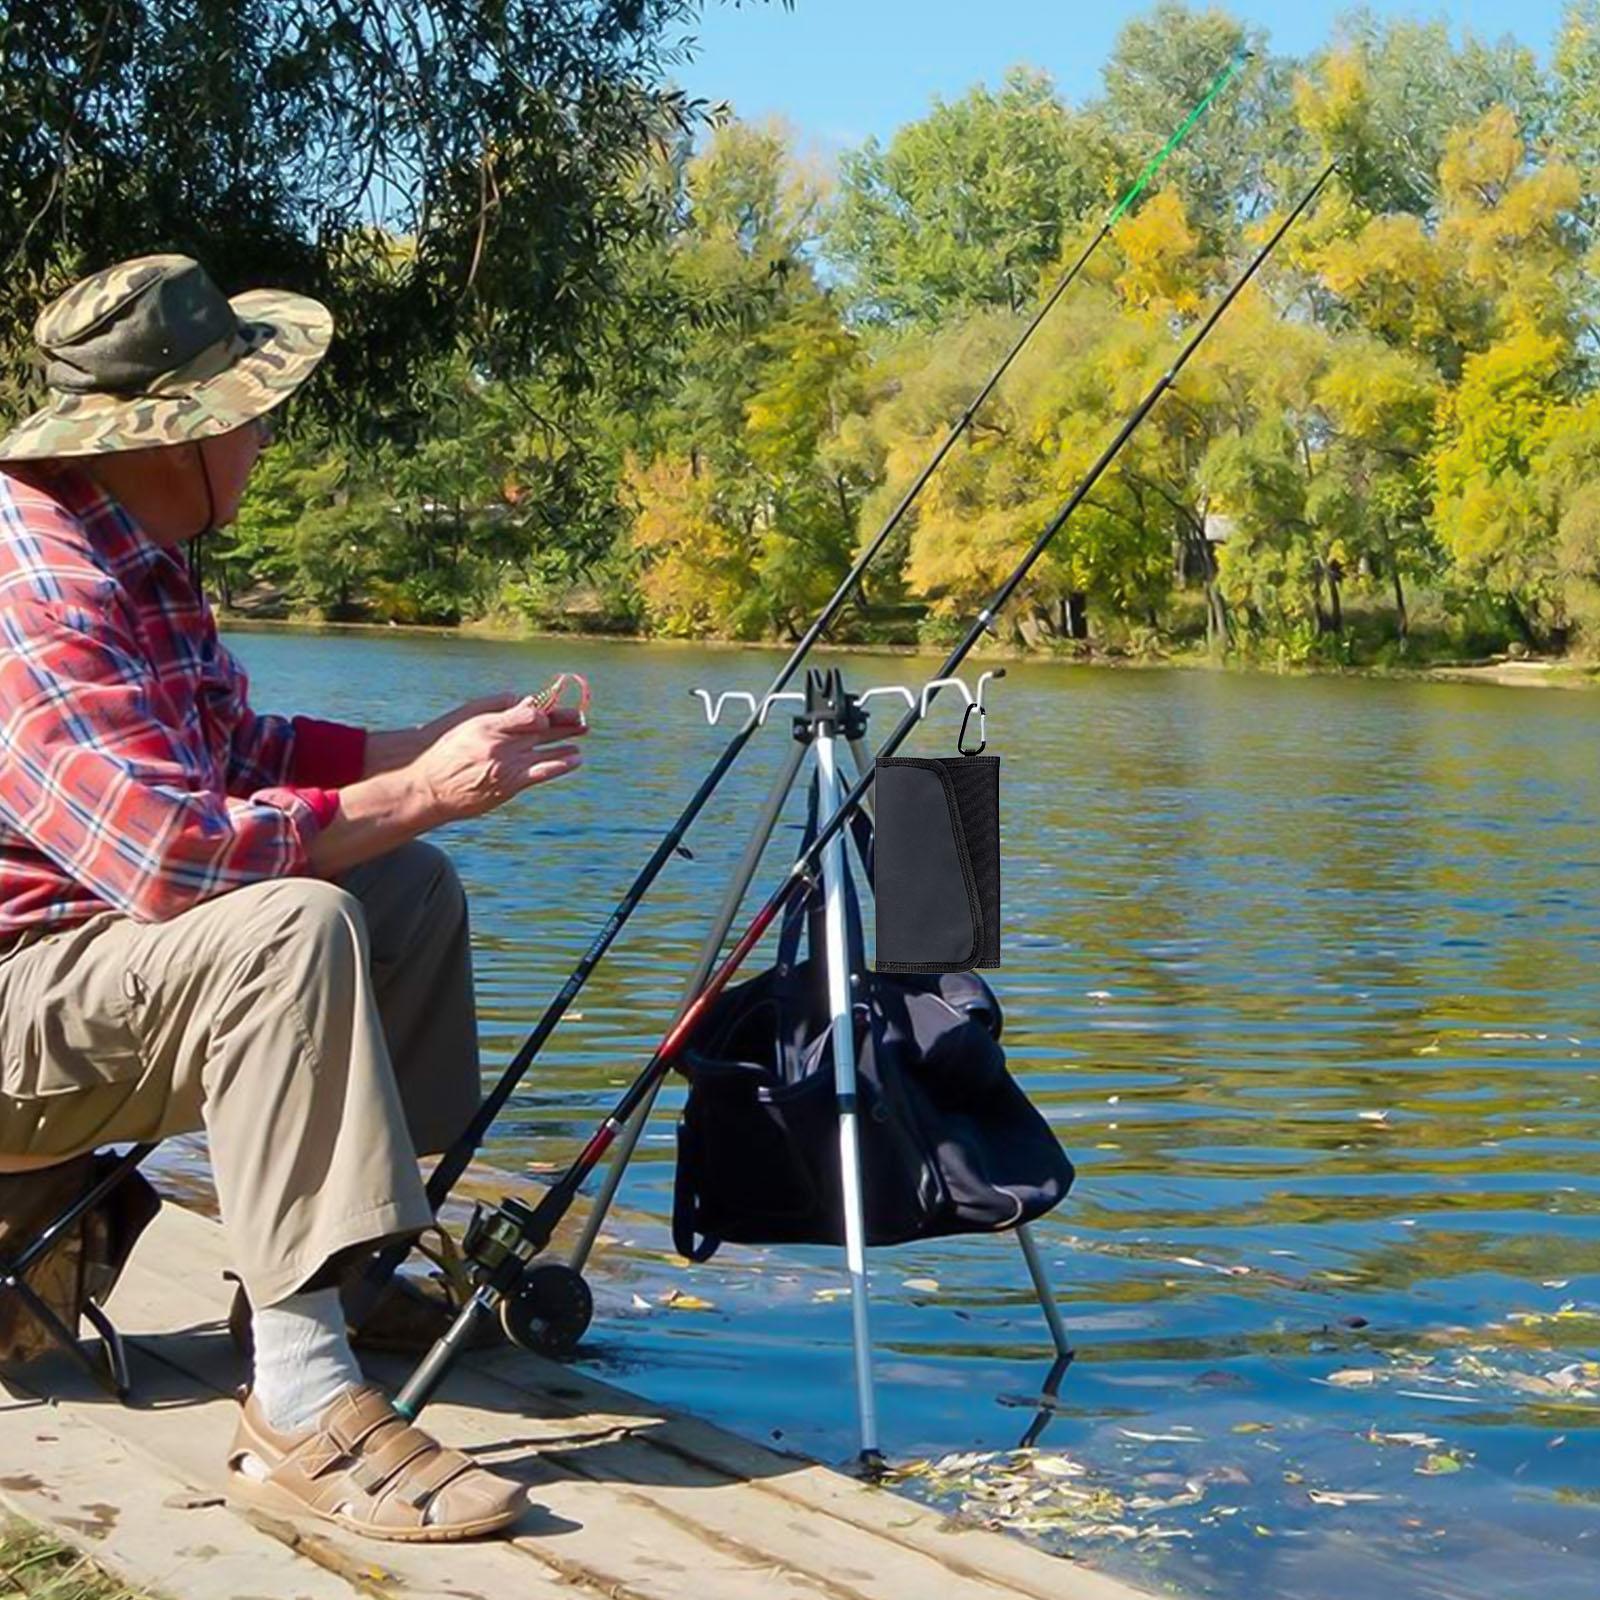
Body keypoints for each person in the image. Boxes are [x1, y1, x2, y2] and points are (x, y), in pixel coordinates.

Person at [0, 255, 588, 1541]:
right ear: (179, 437)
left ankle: (340, 1273)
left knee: (403, 887)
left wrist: (423, 746)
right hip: (13, 1013)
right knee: (290, 924)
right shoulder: (38, 588)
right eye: (252, 414)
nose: (266, 438)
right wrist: (424, 790)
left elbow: (233, 750)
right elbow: (171, 859)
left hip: (78, 973)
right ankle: (299, 1403)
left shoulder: (134, 551)